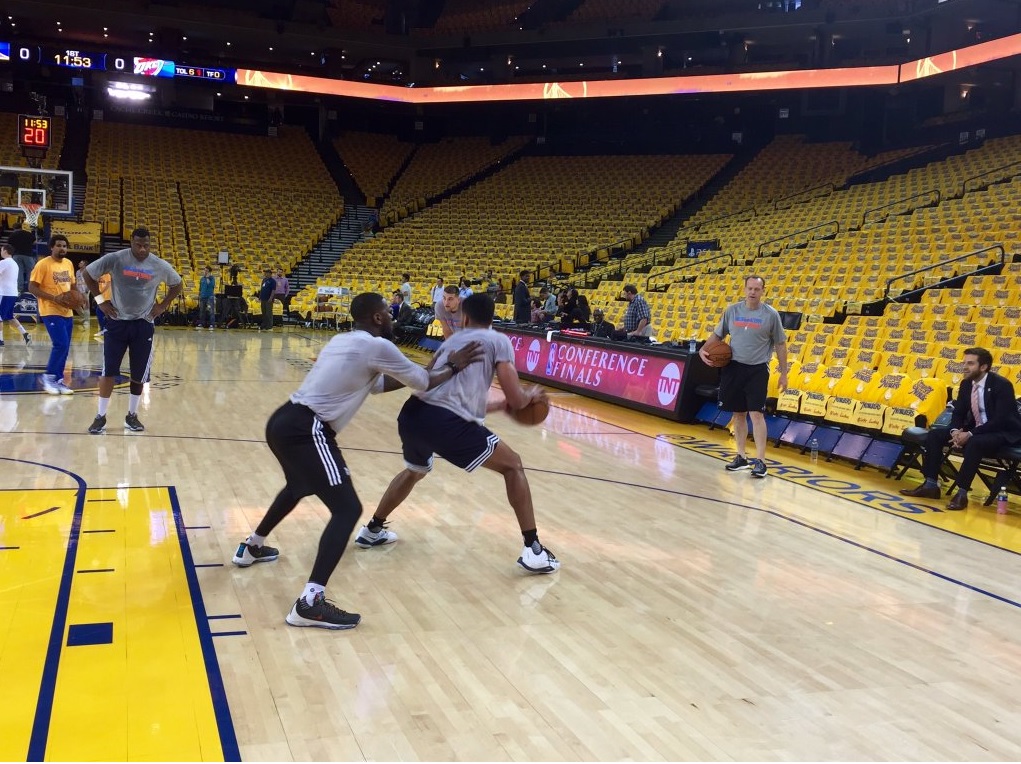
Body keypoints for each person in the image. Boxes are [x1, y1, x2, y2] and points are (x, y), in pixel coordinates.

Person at [231, 292, 484, 630]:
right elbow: (422, 385)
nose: (393, 318)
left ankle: (251, 547)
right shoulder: (379, 347)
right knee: (348, 509)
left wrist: (423, 370)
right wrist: (452, 366)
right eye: (388, 313)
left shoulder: (344, 340)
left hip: (283, 421)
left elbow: (377, 384)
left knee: (297, 486)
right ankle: (310, 602)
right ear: (378, 317)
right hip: (309, 429)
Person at [354, 293, 560, 575]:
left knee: (415, 471)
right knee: (513, 466)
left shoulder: (450, 343)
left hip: (412, 414)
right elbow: (516, 396)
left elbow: (448, 391)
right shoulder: (498, 340)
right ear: (493, 316)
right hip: (446, 422)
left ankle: (373, 529)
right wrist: (529, 397)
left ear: (463, 317)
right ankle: (533, 549)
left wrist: (500, 406)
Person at [83, 226, 183, 433]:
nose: (142, 249)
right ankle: (100, 416)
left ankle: (132, 415)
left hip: (143, 324)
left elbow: (177, 284)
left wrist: (162, 306)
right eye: (138, 245)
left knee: (139, 374)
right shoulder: (116, 258)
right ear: (131, 242)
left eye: (146, 245)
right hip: (117, 321)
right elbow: (88, 274)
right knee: (109, 371)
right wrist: (100, 301)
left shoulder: (158, 264)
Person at [900, 347, 1021, 510]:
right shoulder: (966, 384)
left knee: (975, 442)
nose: (964, 367)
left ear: (983, 367)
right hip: (976, 429)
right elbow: (959, 412)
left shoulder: (1002, 385)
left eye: (970, 363)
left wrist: (969, 434)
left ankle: (961, 494)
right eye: (964, 362)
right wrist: (955, 431)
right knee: (935, 435)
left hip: (1002, 432)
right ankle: (930, 485)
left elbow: (1001, 420)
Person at [700, 275, 788, 479]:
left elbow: (780, 344)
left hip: (757, 369)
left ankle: (761, 461)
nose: (752, 292)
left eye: (757, 289)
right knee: (738, 414)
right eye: (750, 288)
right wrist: (703, 350)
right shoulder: (732, 310)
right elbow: (718, 335)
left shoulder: (771, 315)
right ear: (745, 289)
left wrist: (784, 373)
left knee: (756, 414)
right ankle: (741, 457)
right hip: (733, 368)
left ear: (763, 291)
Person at [28, 235, 76, 395]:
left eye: (65, 246)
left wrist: (77, 298)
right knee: (60, 344)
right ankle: (48, 377)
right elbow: (32, 288)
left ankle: (58, 380)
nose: (62, 248)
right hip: (50, 310)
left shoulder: (69, 263)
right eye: (59, 245)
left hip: (67, 311)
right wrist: (53, 298)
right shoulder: (43, 264)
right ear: (51, 247)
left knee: (65, 347)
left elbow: (73, 285)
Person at [0, 244, 31, 346]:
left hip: (4, 292)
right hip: (13, 293)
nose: (1, 251)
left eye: (1, 250)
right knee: (10, 317)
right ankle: (25, 333)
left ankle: (0, 339)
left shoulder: (4, 262)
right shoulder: (15, 263)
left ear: (5, 251)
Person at [7, 227, 36, 294]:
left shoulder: (13, 235)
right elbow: (35, 242)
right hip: (28, 255)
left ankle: (19, 289)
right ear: (21, 227)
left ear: (15, 228)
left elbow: (9, 245)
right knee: (31, 271)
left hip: (16, 255)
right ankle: (31, 289)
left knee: (19, 272)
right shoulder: (28, 233)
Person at [198, 266, 216, 330]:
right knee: (202, 311)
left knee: (211, 311)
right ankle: (201, 323)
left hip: (209, 297)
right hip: (202, 297)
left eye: (206, 271)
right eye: (204, 270)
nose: (205, 272)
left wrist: (208, 278)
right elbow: (200, 288)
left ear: (209, 272)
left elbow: (211, 286)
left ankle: (212, 324)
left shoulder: (212, 279)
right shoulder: (202, 279)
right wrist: (200, 294)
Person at [94, 271, 111, 338]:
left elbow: (109, 284)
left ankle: (105, 329)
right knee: (99, 312)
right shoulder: (99, 275)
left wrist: (100, 292)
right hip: (100, 297)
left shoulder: (107, 274)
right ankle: (103, 329)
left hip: (107, 297)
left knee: (104, 313)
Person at [74, 260, 91, 326]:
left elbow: (90, 281)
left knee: (86, 305)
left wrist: (87, 289)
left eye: (81, 263)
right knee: (75, 305)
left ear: (84, 265)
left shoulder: (87, 271)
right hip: (78, 290)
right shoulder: (77, 272)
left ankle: (87, 321)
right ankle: (84, 316)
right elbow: (76, 280)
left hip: (85, 290)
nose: (79, 263)